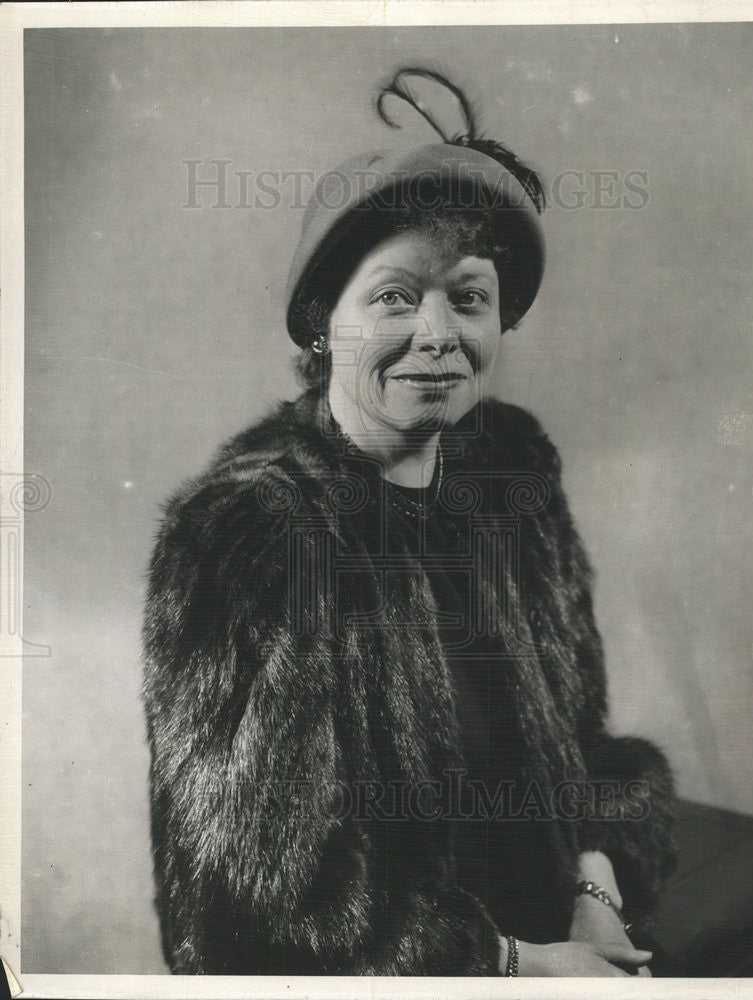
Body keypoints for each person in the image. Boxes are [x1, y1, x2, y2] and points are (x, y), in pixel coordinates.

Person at [142, 68, 676, 977]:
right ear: (322, 326)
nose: (437, 332)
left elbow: (578, 741)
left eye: (467, 297)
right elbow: (270, 893)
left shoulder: (512, 472)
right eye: (394, 296)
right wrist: (515, 967)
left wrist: (595, 896)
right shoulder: (250, 529)